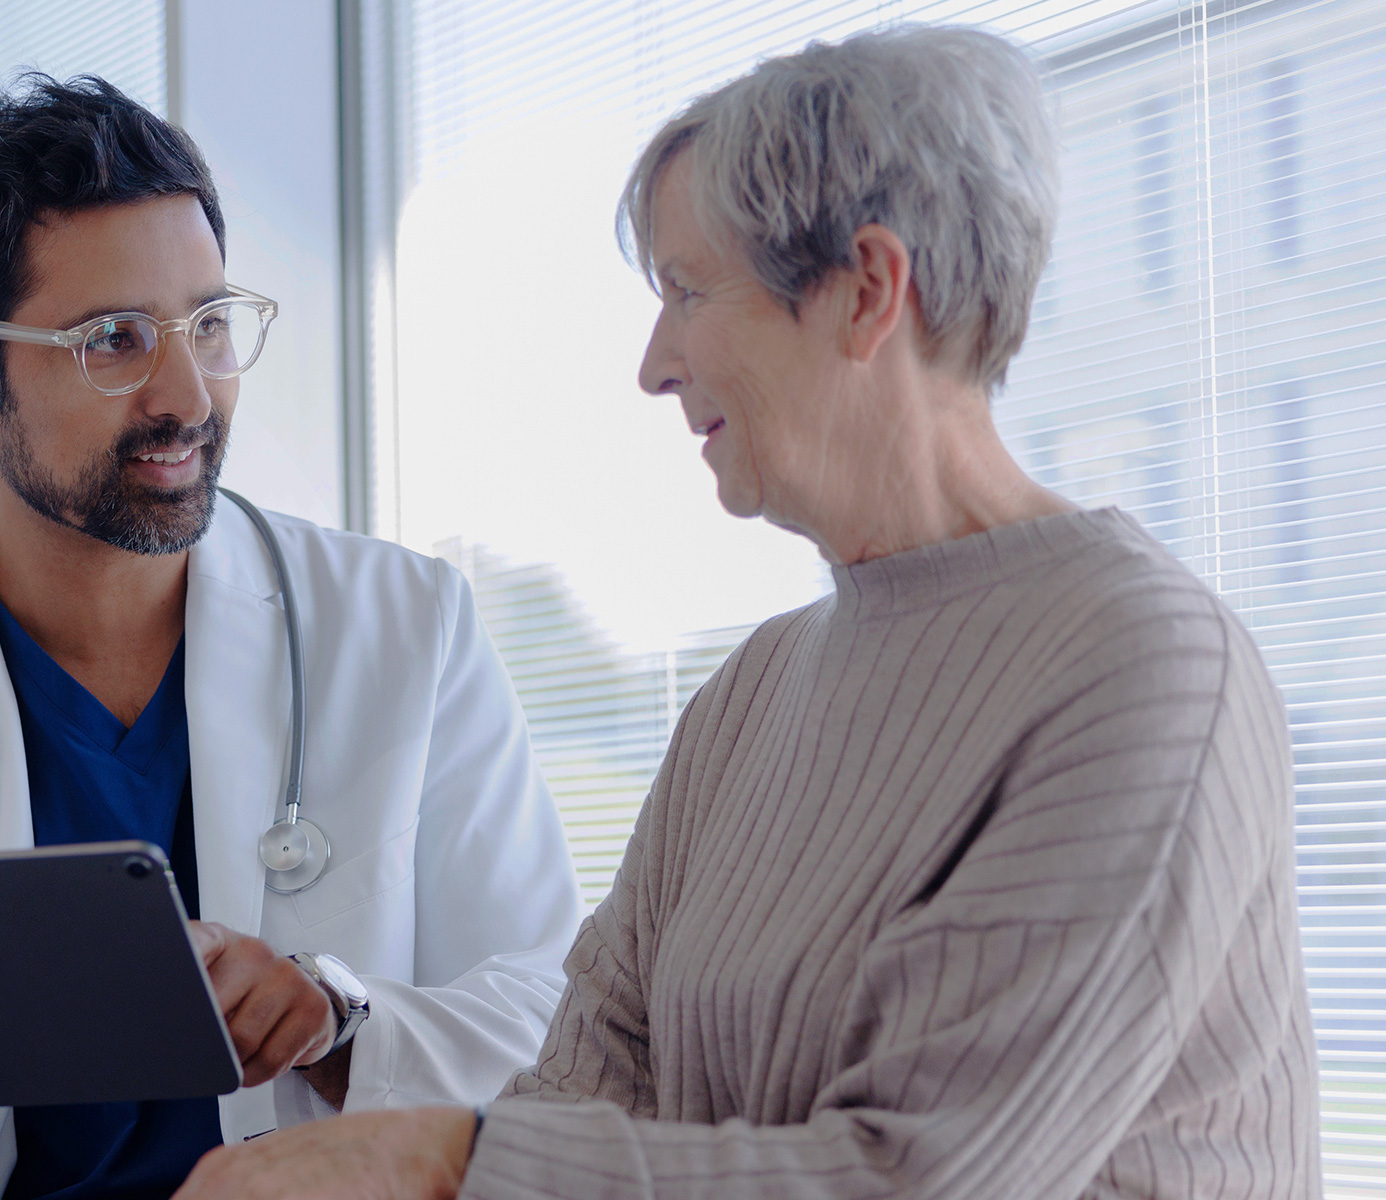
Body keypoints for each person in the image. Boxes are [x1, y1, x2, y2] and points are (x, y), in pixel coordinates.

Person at [169, 27, 1322, 1200]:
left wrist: (435, 1156)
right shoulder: (757, 690)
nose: (654, 365)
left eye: (686, 292)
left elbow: (917, 1179)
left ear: (867, 292)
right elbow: (584, 1081)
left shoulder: (1143, 671)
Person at [0, 75, 582, 1200]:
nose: (186, 393)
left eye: (208, 324)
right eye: (112, 339)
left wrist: (337, 1021)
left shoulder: (408, 631)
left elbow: (563, 1024)